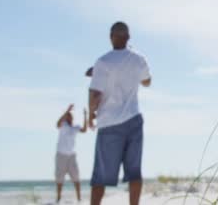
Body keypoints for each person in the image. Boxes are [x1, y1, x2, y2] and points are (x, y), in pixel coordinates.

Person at [85, 21, 151, 205]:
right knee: (134, 172)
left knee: (100, 176)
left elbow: (95, 94)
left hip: (109, 123)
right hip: (134, 120)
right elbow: (147, 81)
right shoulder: (139, 59)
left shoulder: (103, 62)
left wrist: (91, 115)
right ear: (128, 37)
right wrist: (129, 73)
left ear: (110, 37)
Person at [55, 104, 87, 203]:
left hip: (71, 156)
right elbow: (57, 123)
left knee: (76, 178)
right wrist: (67, 110)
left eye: (70, 115)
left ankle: (79, 198)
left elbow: (84, 130)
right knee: (60, 179)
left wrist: (85, 116)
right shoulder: (63, 125)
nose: (69, 116)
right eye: (67, 115)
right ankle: (58, 198)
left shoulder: (75, 128)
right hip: (61, 155)